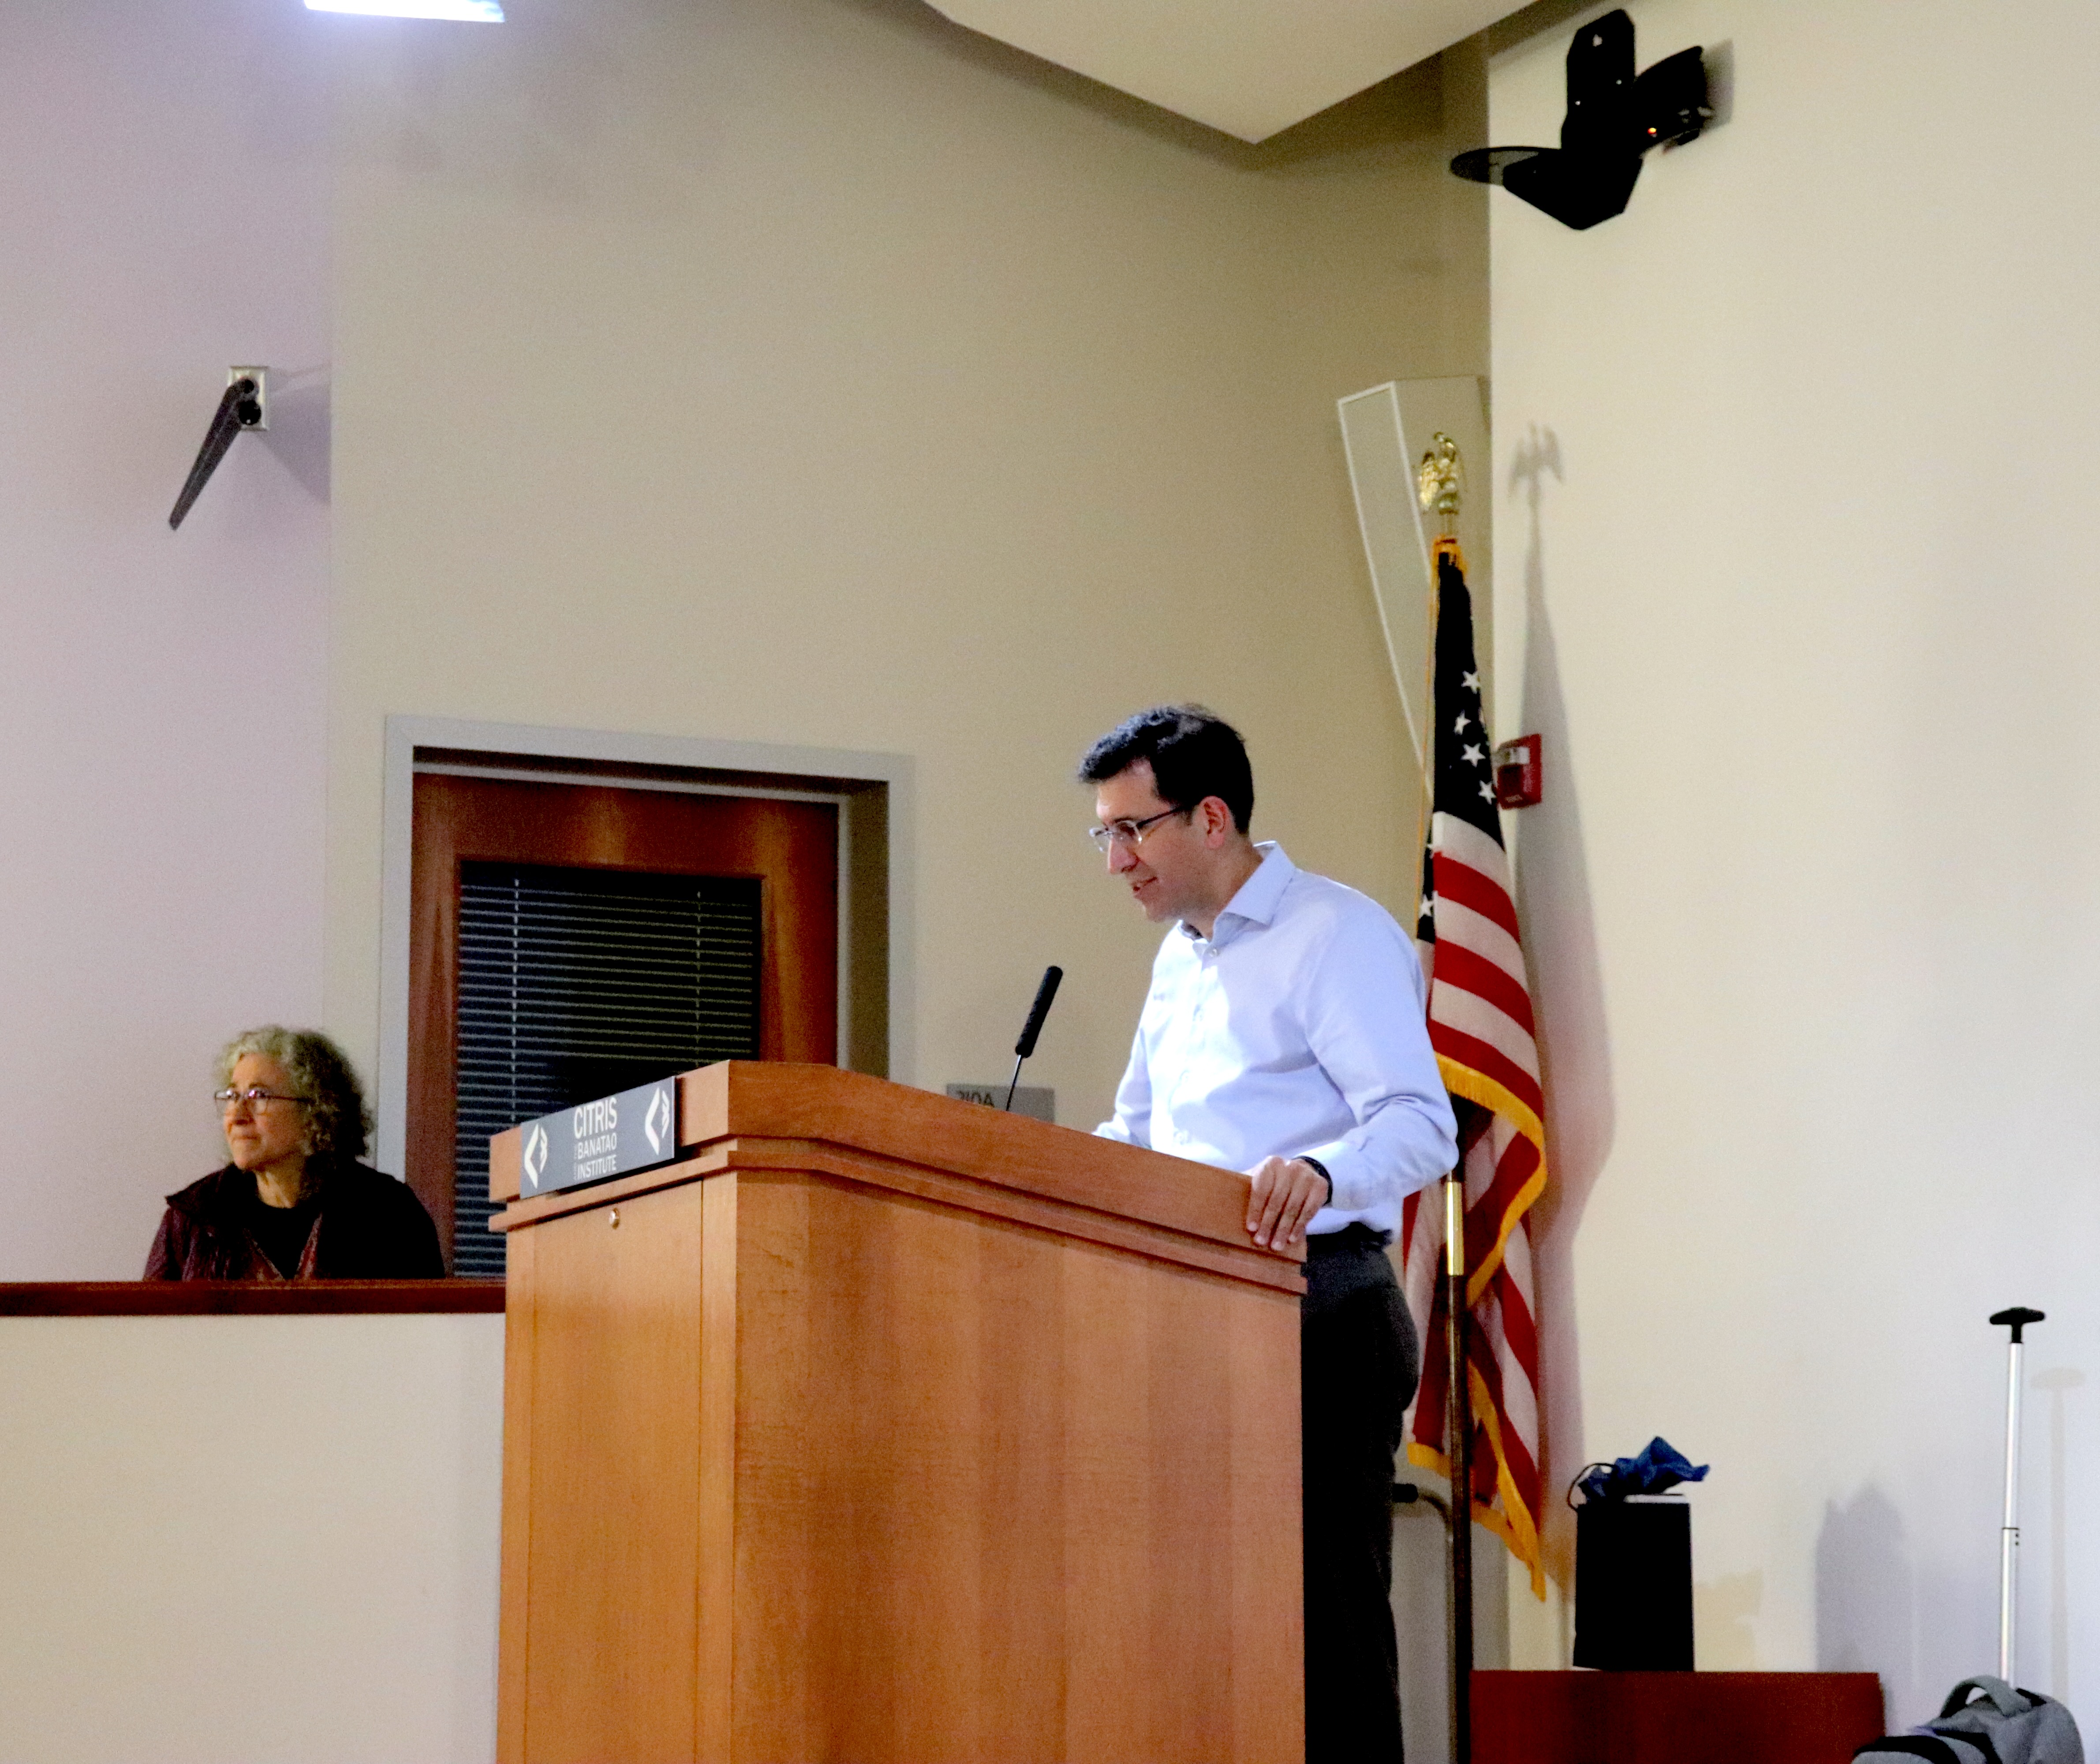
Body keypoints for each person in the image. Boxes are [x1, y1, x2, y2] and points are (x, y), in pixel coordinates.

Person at [1080, 704, 1457, 1763]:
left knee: (1322, 1626)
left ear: (1210, 817)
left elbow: (1420, 1123)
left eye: (1131, 830)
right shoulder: (1180, 959)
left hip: (1317, 1306)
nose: (1115, 861)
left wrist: (1322, 1171)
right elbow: (1137, 1136)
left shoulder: (1332, 933)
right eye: (1102, 835)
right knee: (1203, 1621)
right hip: (1192, 1314)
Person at [145, 1026, 445, 1281]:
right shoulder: (192, 1219)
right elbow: (152, 1326)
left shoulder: (390, 1213)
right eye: (233, 1095)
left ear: (316, 1111)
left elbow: (424, 1328)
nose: (237, 1115)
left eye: (259, 1095)